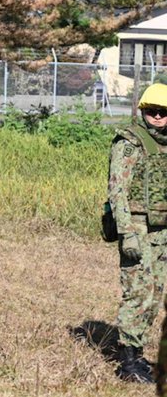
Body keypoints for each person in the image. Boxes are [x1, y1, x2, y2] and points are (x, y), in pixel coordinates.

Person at [112, 83, 167, 383]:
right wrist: (127, 233)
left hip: (162, 231)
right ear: (142, 112)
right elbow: (117, 191)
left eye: (163, 113)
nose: (158, 118)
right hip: (137, 227)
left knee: (155, 295)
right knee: (138, 294)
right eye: (152, 112)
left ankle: (138, 353)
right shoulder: (130, 142)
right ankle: (128, 361)